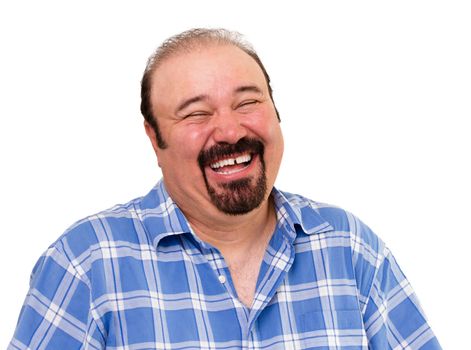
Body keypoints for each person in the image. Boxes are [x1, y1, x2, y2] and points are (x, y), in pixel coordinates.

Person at [9, 28, 441, 349]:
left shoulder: (350, 248)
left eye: (248, 102)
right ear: (153, 138)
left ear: (276, 112)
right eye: (195, 113)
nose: (230, 131)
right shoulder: (85, 265)